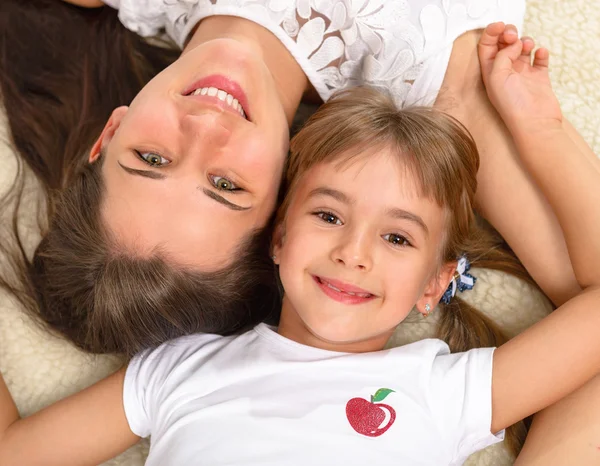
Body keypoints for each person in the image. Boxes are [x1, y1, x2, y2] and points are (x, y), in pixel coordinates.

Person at [1, 23, 599, 465]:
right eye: (329, 216)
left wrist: (543, 132)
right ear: (278, 237)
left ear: (434, 285)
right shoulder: (176, 373)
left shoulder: (446, 391)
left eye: (396, 236)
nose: (354, 253)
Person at [0, 0, 579, 357]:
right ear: (284, 202)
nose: (205, 128)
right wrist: (545, 134)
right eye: (226, 185)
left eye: (151, 159)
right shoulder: (440, 83)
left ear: (110, 134)